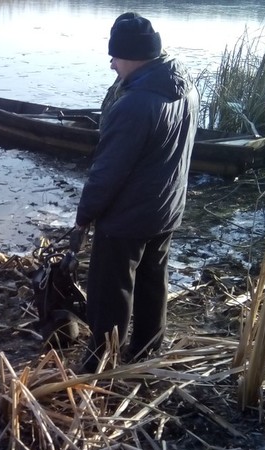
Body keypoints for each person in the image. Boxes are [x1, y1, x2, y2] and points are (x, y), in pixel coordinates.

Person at [73, 13, 199, 372]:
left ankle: (102, 359)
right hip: (167, 207)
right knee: (152, 281)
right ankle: (146, 350)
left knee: (110, 292)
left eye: (114, 55)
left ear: (131, 55)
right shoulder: (184, 85)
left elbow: (106, 172)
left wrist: (84, 218)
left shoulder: (133, 105)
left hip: (127, 217)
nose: (110, 62)